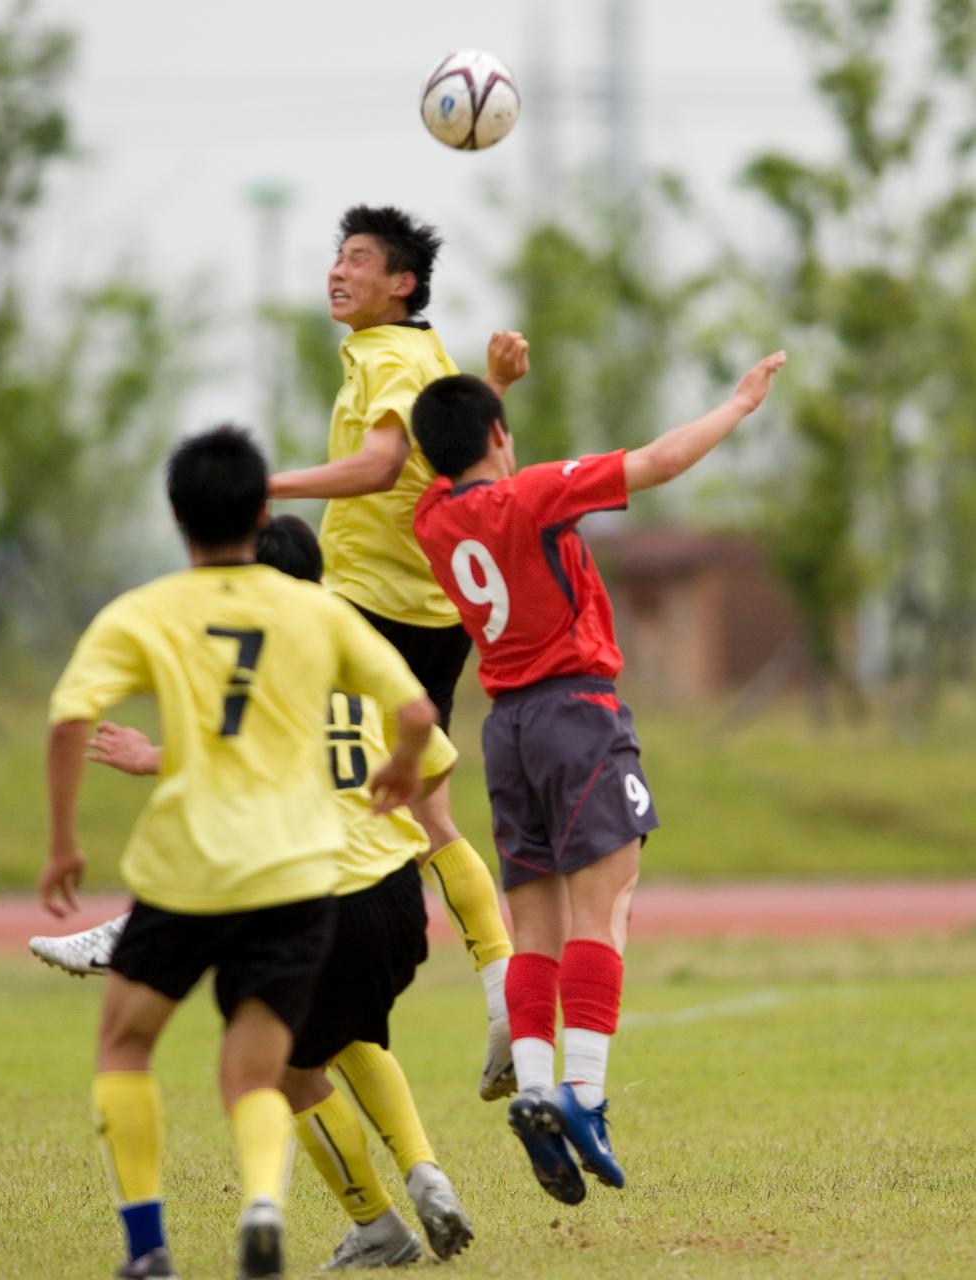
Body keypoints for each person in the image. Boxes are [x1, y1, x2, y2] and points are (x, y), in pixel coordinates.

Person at [40, 427, 437, 1280]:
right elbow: (414, 715)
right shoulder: (316, 610)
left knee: (125, 1045)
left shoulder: (145, 610)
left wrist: (64, 841)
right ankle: (264, 1200)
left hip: (185, 869)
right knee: (258, 1068)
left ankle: (147, 1247)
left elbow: (71, 718)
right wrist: (401, 773)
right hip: (293, 875)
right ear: (263, 509)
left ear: (178, 517)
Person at [410, 352, 787, 1204]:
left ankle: (538, 1092)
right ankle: (584, 1096)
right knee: (605, 907)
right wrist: (736, 405)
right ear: (501, 436)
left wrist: (486, 398)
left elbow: (461, 460)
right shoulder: (535, 491)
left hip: (503, 729)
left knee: (533, 925)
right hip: (577, 713)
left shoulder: (431, 519)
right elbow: (656, 462)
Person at [268, 204, 530, 1100]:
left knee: (256, 737)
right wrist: (498, 387)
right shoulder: (426, 352)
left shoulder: (388, 357)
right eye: (335, 257)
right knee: (428, 811)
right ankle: (503, 985)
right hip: (431, 610)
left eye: (358, 260)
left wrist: (265, 484)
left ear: (401, 284)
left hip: (370, 608)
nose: (337, 272)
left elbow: (382, 466)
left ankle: (160, 923)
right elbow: (463, 459)